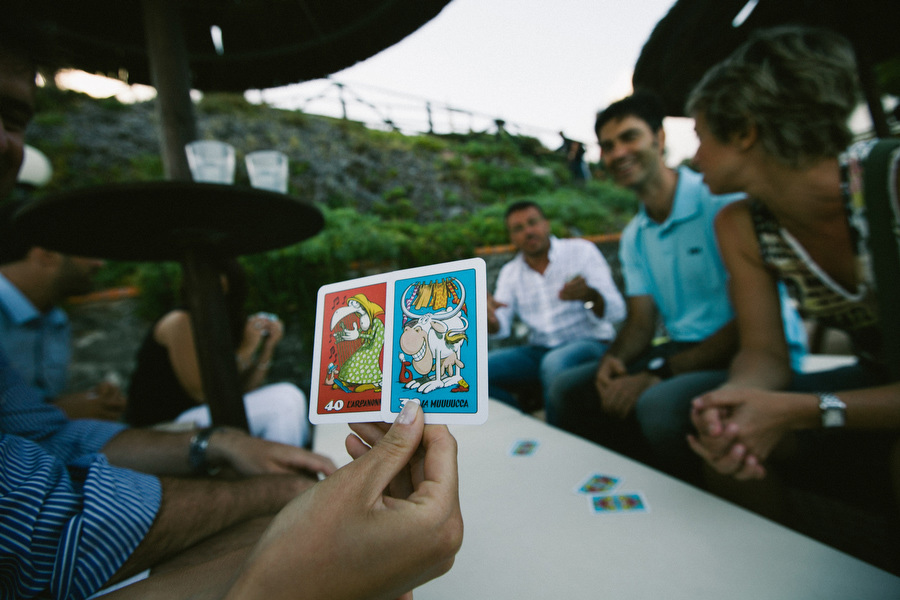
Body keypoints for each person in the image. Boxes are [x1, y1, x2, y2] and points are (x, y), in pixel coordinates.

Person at [0, 17, 460, 599]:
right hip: (167, 431)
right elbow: (43, 527)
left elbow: (49, 437)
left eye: (14, 118)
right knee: (289, 433)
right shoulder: (177, 322)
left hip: (170, 444)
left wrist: (222, 438)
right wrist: (273, 510)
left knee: (287, 408)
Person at [684, 26, 900, 518]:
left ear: (743, 130)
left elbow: (799, 403)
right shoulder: (741, 225)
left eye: (700, 138)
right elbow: (763, 352)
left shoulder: (892, 183)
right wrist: (733, 396)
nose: (694, 158)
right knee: (726, 433)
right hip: (876, 380)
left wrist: (804, 409)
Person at [549, 91, 806, 479]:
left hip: (751, 351)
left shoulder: (720, 202)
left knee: (657, 404)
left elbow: (749, 329)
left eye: (629, 138)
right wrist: (614, 361)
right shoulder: (636, 234)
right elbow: (640, 320)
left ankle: (692, 499)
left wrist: (659, 371)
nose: (617, 153)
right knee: (571, 389)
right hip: (683, 350)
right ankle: (617, 489)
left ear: (660, 138)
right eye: (607, 146)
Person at [126, 258, 310, 447]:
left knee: (290, 397)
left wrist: (268, 347)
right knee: (284, 401)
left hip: (207, 415)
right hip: (166, 426)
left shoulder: (223, 324)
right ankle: (283, 470)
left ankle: (284, 469)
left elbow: (246, 390)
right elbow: (202, 394)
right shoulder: (179, 321)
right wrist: (248, 348)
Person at [487, 200, 625, 413]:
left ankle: (557, 437)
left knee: (554, 363)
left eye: (533, 222)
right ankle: (526, 424)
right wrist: (490, 319)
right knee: (477, 371)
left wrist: (589, 295)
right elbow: (501, 327)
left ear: (546, 224)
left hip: (590, 342)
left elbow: (616, 311)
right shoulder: (510, 272)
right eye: (518, 228)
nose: (528, 231)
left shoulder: (581, 252)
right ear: (512, 237)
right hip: (539, 350)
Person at [0, 200, 127, 420]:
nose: (100, 264)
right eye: (89, 250)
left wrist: (89, 401)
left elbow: (42, 402)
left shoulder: (55, 321)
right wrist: (60, 411)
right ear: (46, 254)